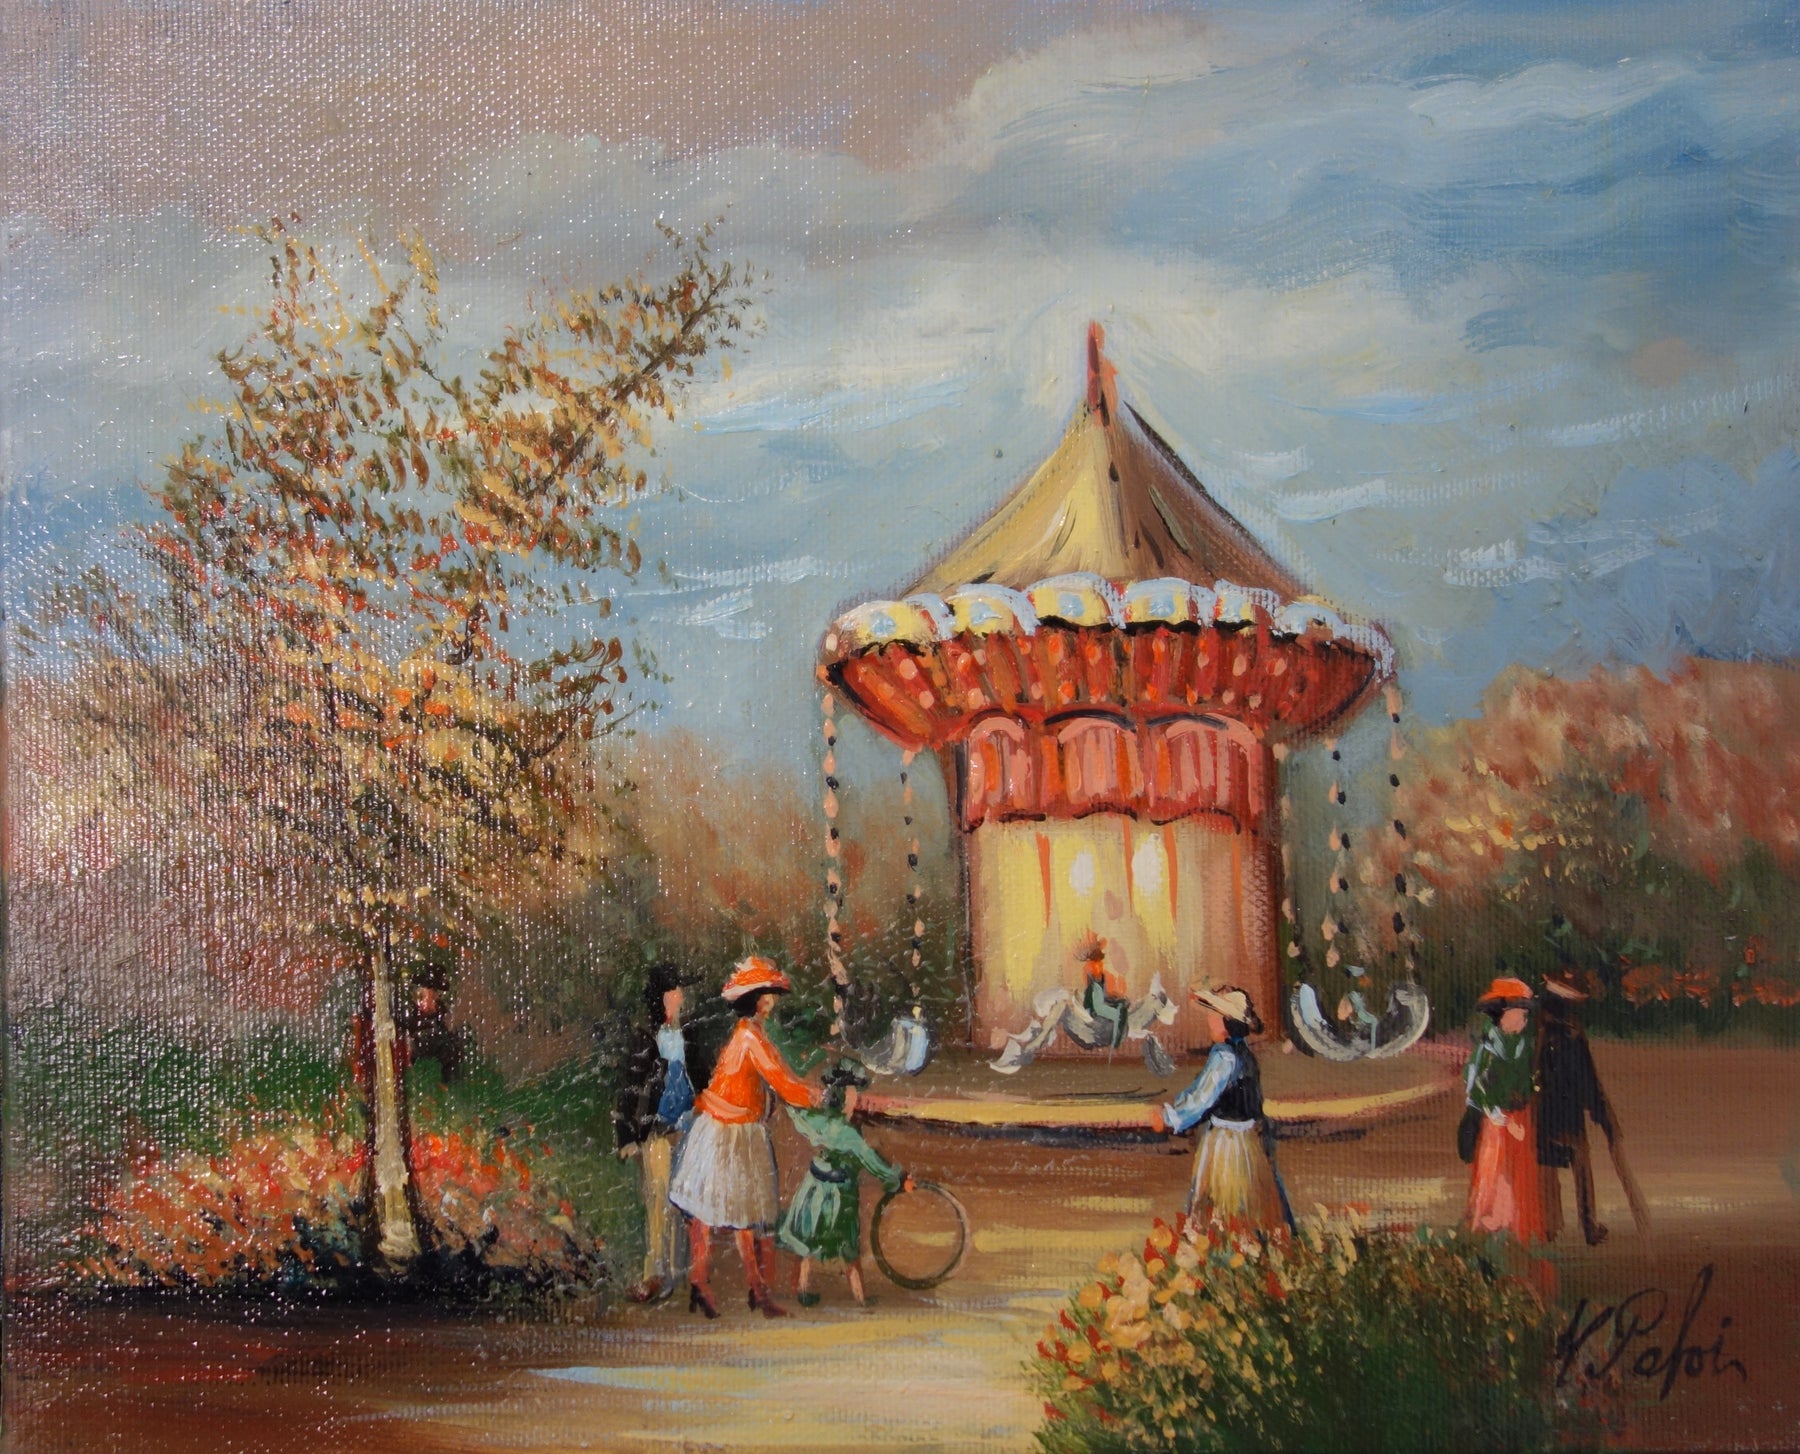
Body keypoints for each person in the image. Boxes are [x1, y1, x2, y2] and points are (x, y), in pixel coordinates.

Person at [668, 955, 822, 1319]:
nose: (772, 1001)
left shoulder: (747, 1033)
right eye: (768, 995)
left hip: (733, 1128)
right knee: (726, 1212)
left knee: (728, 1214)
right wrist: (819, 1096)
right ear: (756, 999)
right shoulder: (750, 1036)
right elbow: (783, 1082)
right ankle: (729, 1287)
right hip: (727, 1132)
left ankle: (729, 1286)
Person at [1154, 985, 1292, 1234]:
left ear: (1227, 1023)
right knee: (1250, 1203)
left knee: (1224, 1202)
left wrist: (1169, 1117)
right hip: (1248, 1141)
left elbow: (1202, 1099)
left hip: (1226, 1143)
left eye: (1214, 1015)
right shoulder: (1244, 1055)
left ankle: (1224, 1244)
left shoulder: (1224, 1058)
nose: (1209, 1020)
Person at [778, 1060, 914, 1308]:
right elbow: (873, 1162)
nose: (856, 1100)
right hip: (839, 1195)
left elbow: (796, 1111)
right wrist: (900, 1179)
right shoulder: (849, 1134)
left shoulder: (818, 1120)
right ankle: (860, 1298)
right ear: (843, 1098)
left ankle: (803, 1290)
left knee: (807, 1241)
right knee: (848, 1248)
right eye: (853, 1095)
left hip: (812, 1188)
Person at [613, 961, 703, 1304]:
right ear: (661, 998)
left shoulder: (690, 1036)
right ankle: (654, 1273)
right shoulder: (646, 1040)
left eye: (679, 991)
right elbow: (630, 1088)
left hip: (691, 1128)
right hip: (658, 1130)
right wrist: (626, 1137)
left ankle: (682, 1274)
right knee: (658, 1200)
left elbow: (705, 1080)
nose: (680, 997)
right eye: (674, 991)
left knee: (686, 1203)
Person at [991, 935, 1176, 1075]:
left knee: (1063, 1007)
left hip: (1097, 1030)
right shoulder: (1097, 978)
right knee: (1063, 1006)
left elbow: (1101, 1008)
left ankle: (1029, 1049)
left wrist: (1115, 1011)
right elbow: (1099, 1007)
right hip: (1094, 1029)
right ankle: (1029, 1048)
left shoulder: (1102, 983)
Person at [1462, 975, 1546, 1244]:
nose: (1522, 1020)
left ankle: (1518, 1228)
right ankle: (1493, 1225)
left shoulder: (1523, 1045)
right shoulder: (1489, 1048)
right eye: (1518, 1014)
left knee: (1519, 1173)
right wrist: (1503, 1119)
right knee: (1497, 1172)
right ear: (1503, 1015)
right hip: (1498, 1122)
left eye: (1525, 1015)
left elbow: (1527, 1081)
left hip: (1521, 1117)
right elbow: (1478, 1089)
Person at [1536, 969, 1617, 1245]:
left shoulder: (1548, 1030)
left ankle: (1556, 1226)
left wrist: (1599, 1110)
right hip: (1558, 1109)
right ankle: (1578, 1225)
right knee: (1570, 1164)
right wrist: (1599, 1112)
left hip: (1552, 1109)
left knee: (1555, 1166)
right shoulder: (1562, 1033)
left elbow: (1586, 1076)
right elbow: (1586, 1077)